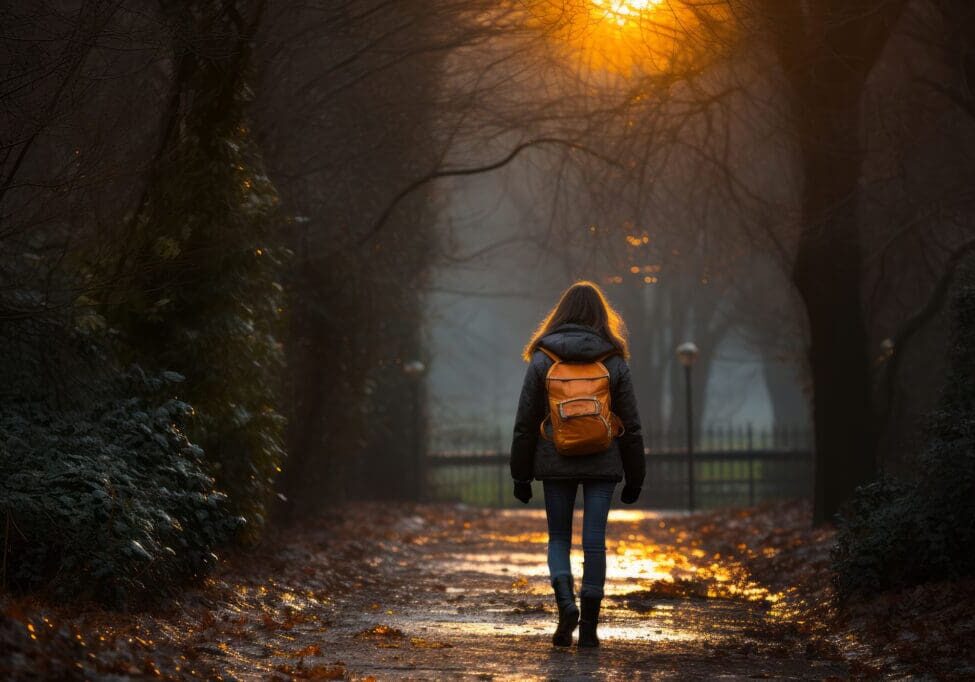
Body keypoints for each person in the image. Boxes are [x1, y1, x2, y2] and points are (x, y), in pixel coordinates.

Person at [510, 281, 645, 648]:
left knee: (558, 537)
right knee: (594, 542)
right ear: (602, 316)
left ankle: (566, 604)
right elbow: (630, 424)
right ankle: (589, 628)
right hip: (603, 462)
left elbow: (525, 423)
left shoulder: (543, 358)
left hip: (556, 460)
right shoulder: (613, 359)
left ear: (561, 313)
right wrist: (635, 477)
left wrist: (520, 475)